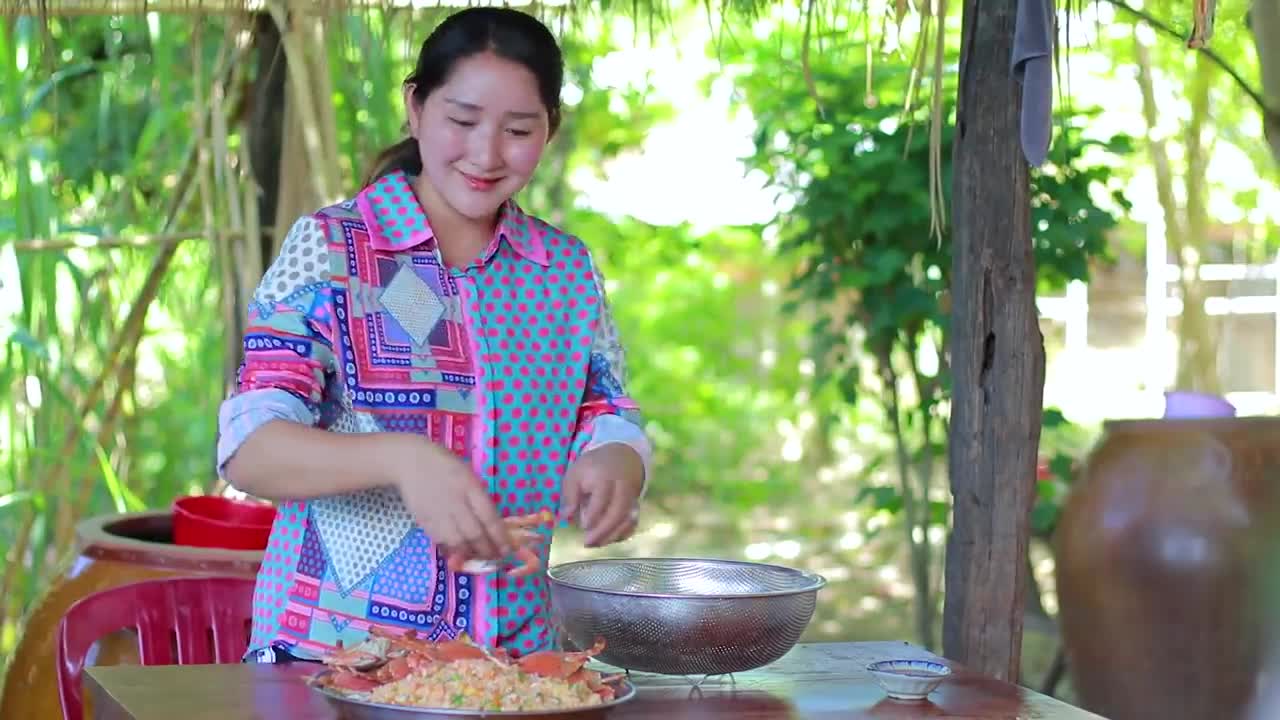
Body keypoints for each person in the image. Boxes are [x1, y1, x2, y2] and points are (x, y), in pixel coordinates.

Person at [216, 6, 651, 663]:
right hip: (334, 659)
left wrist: (617, 456)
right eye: (463, 120)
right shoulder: (334, 250)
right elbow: (250, 447)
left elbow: (605, 406)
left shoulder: (562, 272)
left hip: (516, 664)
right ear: (416, 108)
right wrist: (403, 457)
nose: (486, 153)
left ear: (549, 131)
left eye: (518, 129)